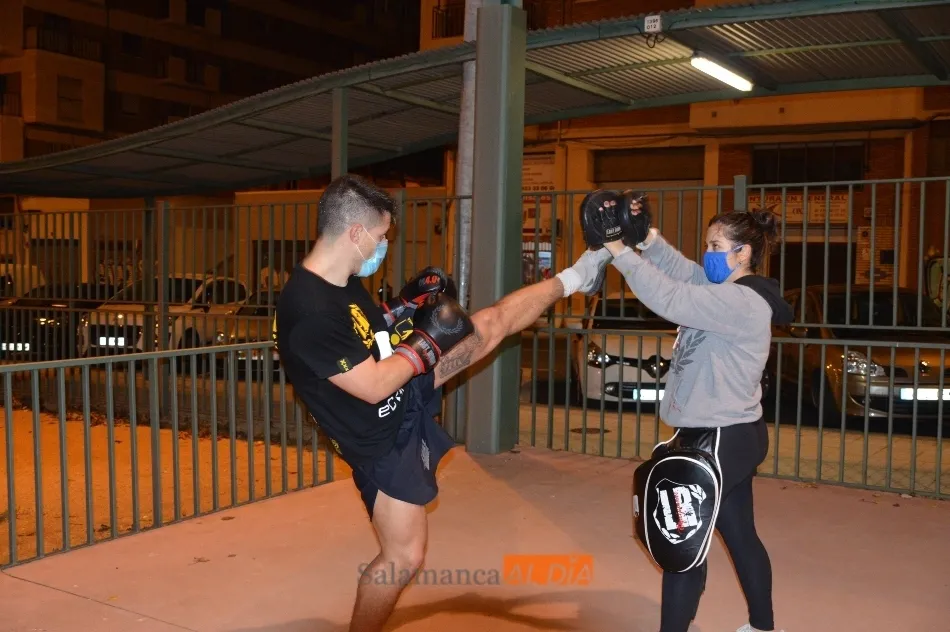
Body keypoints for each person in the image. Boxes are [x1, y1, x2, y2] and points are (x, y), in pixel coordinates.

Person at [275, 174, 611, 632]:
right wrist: (429, 341)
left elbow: (365, 335)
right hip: (379, 438)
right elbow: (371, 383)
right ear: (354, 233)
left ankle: (578, 275)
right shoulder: (307, 309)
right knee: (403, 557)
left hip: (403, 389)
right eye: (380, 237)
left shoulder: (342, 280)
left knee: (488, 325)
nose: (383, 247)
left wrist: (403, 306)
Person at [581, 191, 792, 632]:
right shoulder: (726, 289)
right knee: (739, 534)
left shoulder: (742, 303)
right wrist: (647, 238)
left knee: (680, 542)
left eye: (716, 247)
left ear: (743, 253)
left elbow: (670, 297)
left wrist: (619, 249)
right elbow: (684, 273)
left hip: (718, 436)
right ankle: (763, 627)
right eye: (708, 244)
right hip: (728, 432)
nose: (707, 254)